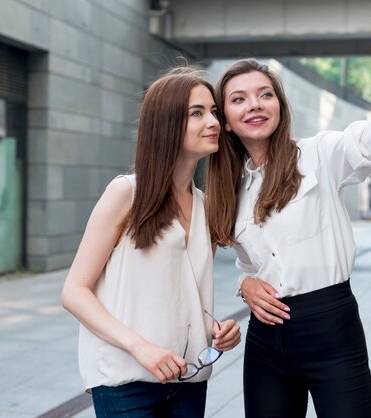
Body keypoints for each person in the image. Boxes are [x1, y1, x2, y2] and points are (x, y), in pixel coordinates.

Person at [205, 12, 371, 418]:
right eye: (238, 99)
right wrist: (245, 285)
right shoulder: (230, 187)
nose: (255, 105)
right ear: (225, 121)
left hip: (331, 329)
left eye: (265, 94)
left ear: (279, 104)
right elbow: (251, 263)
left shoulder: (319, 153)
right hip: (266, 340)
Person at [61, 66, 241, 418]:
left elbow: (176, 292)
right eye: (197, 113)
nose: (214, 122)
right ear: (166, 124)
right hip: (126, 381)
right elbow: (74, 292)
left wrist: (216, 330)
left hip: (189, 379)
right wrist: (140, 347)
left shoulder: (206, 205)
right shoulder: (126, 192)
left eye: (214, 112)